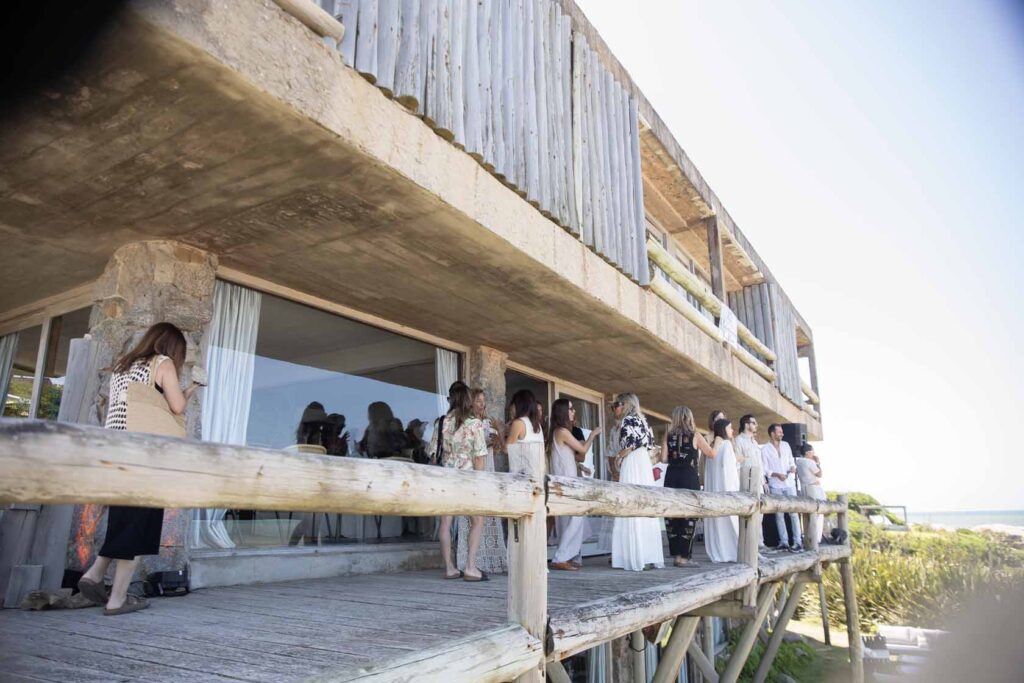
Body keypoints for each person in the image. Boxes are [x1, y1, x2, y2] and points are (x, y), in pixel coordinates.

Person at [78, 322, 200, 615]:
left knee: (125, 518)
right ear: (172, 346)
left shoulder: (123, 365)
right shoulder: (163, 363)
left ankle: (95, 573)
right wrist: (193, 388)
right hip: (145, 454)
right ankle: (117, 599)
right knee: (139, 525)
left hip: (117, 450)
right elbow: (176, 406)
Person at [430, 384, 489, 581]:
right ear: (467, 399)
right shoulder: (474, 423)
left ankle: (449, 568)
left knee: (445, 522)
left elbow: (433, 455)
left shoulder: (441, 423)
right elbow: (479, 457)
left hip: (446, 478)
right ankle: (471, 567)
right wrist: (480, 482)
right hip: (468, 480)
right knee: (477, 520)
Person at [610, 393, 664, 571]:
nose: (615, 408)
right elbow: (649, 444)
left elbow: (628, 446)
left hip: (632, 461)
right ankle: (648, 555)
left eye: (617, 404)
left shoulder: (627, 421)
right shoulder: (643, 421)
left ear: (625, 404)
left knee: (630, 503)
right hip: (643, 463)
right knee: (645, 504)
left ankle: (633, 556)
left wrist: (618, 457)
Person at [456, 389, 508, 574]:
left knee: (488, 515)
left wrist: (498, 436)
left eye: (483, 400)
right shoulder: (468, 423)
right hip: (475, 469)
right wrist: (485, 444)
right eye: (478, 400)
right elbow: (468, 448)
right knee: (473, 517)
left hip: (489, 467)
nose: (482, 404)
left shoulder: (487, 422)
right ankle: (471, 561)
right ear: (471, 403)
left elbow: (500, 449)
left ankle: (489, 559)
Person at [660, 406, 715, 566]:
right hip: (688, 476)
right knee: (689, 515)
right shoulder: (695, 435)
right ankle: (684, 557)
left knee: (672, 515)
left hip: (671, 476)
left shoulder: (668, 434)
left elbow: (663, 459)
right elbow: (711, 453)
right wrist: (715, 441)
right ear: (689, 418)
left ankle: (676, 555)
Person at [549, 398, 599, 571]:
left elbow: (573, 456)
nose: (574, 411)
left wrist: (580, 466)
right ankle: (560, 557)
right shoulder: (561, 431)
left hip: (567, 479)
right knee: (576, 517)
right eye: (570, 409)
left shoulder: (559, 431)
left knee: (570, 520)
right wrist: (593, 434)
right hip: (566, 481)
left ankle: (565, 556)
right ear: (563, 412)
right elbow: (582, 449)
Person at [761, 424, 803, 551]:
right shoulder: (765, 449)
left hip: (789, 484)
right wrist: (777, 474)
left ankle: (798, 542)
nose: (782, 434)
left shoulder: (786, 445)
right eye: (779, 432)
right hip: (775, 485)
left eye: (782, 432)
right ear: (772, 433)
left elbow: (791, 461)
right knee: (779, 515)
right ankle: (784, 542)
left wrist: (792, 467)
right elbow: (765, 469)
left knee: (793, 513)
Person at [704, 418, 740, 562]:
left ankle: (720, 552)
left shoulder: (712, 447)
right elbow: (729, 470)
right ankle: (732, 552)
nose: (732, 430)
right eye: (730, 428)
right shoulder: (726, 445)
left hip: (714, 491)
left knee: (718, 523)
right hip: (726, 490)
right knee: (730, 522)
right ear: (723, 430)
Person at [796, 443, 825, 545]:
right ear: (808, 453)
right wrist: (818, 463)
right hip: (814, 489)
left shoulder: (798, 462)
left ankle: (807, 537)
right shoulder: (810, 462)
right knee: (818, 515)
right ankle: (816, 538)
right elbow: (819, 474)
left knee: (806, 515)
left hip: (804, 488)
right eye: (812, 452)